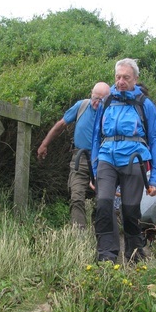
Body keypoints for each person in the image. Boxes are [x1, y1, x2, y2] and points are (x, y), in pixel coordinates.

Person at [91, 58, 156, 263]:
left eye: (126, 77)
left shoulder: (145, 105)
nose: (121, 81)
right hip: (106, 157)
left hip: (134, 158)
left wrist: (155, 179)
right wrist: (94, 169)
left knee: (130, 210)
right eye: (118, 77)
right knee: (103, 204)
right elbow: (96, 136)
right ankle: (107, 256)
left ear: (135, 79)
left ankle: (135, 255)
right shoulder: (106, 102)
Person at [37, 81, 111, 228]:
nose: (97, 103)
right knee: (76, 197)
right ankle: (79, 237)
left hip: (104, 160)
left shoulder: (112, 114)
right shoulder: (81, 106)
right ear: (91, 94)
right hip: (80, 158)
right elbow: (60, 125)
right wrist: (44, 144)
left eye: (101, 100)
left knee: (102, 201)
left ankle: (100, 236)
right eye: (95, 98)